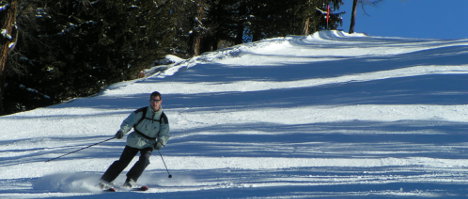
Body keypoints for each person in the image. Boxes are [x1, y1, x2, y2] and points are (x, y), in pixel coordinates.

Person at [99, 91, 170, 189]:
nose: (155, 103)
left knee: (144, 160)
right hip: (134, 140)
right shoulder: (141, 112)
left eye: (157, 100)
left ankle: (130, 180)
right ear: (150, 101)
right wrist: (122, 131)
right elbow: (128, 122)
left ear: (161, 101)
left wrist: (161, 142)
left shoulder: (162, 118)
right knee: (123, 162)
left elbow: (165, 133)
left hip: (149, 143)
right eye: (153, 100)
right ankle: (105, 180)